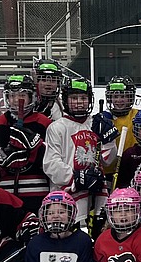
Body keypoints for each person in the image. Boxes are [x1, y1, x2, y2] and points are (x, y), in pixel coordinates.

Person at [43, 77, 119, 232]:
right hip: (66, 195)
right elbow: (51, 163)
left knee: (97, 235)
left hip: (96, 194)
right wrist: (76, 178)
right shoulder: (57, 127)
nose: (79, 102)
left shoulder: (95, 124)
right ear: (65, 100)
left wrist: (109, 140)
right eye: (74, 98)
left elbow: (108, 160)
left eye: (83, 98)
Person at [0, 74, 53, 212]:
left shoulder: (44, 123)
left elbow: (52, 156)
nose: (16, 100)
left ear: (31, 97)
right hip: (5, 193)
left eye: (22, 95)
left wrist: (36, 149)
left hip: (37, 192)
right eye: (12, 96)